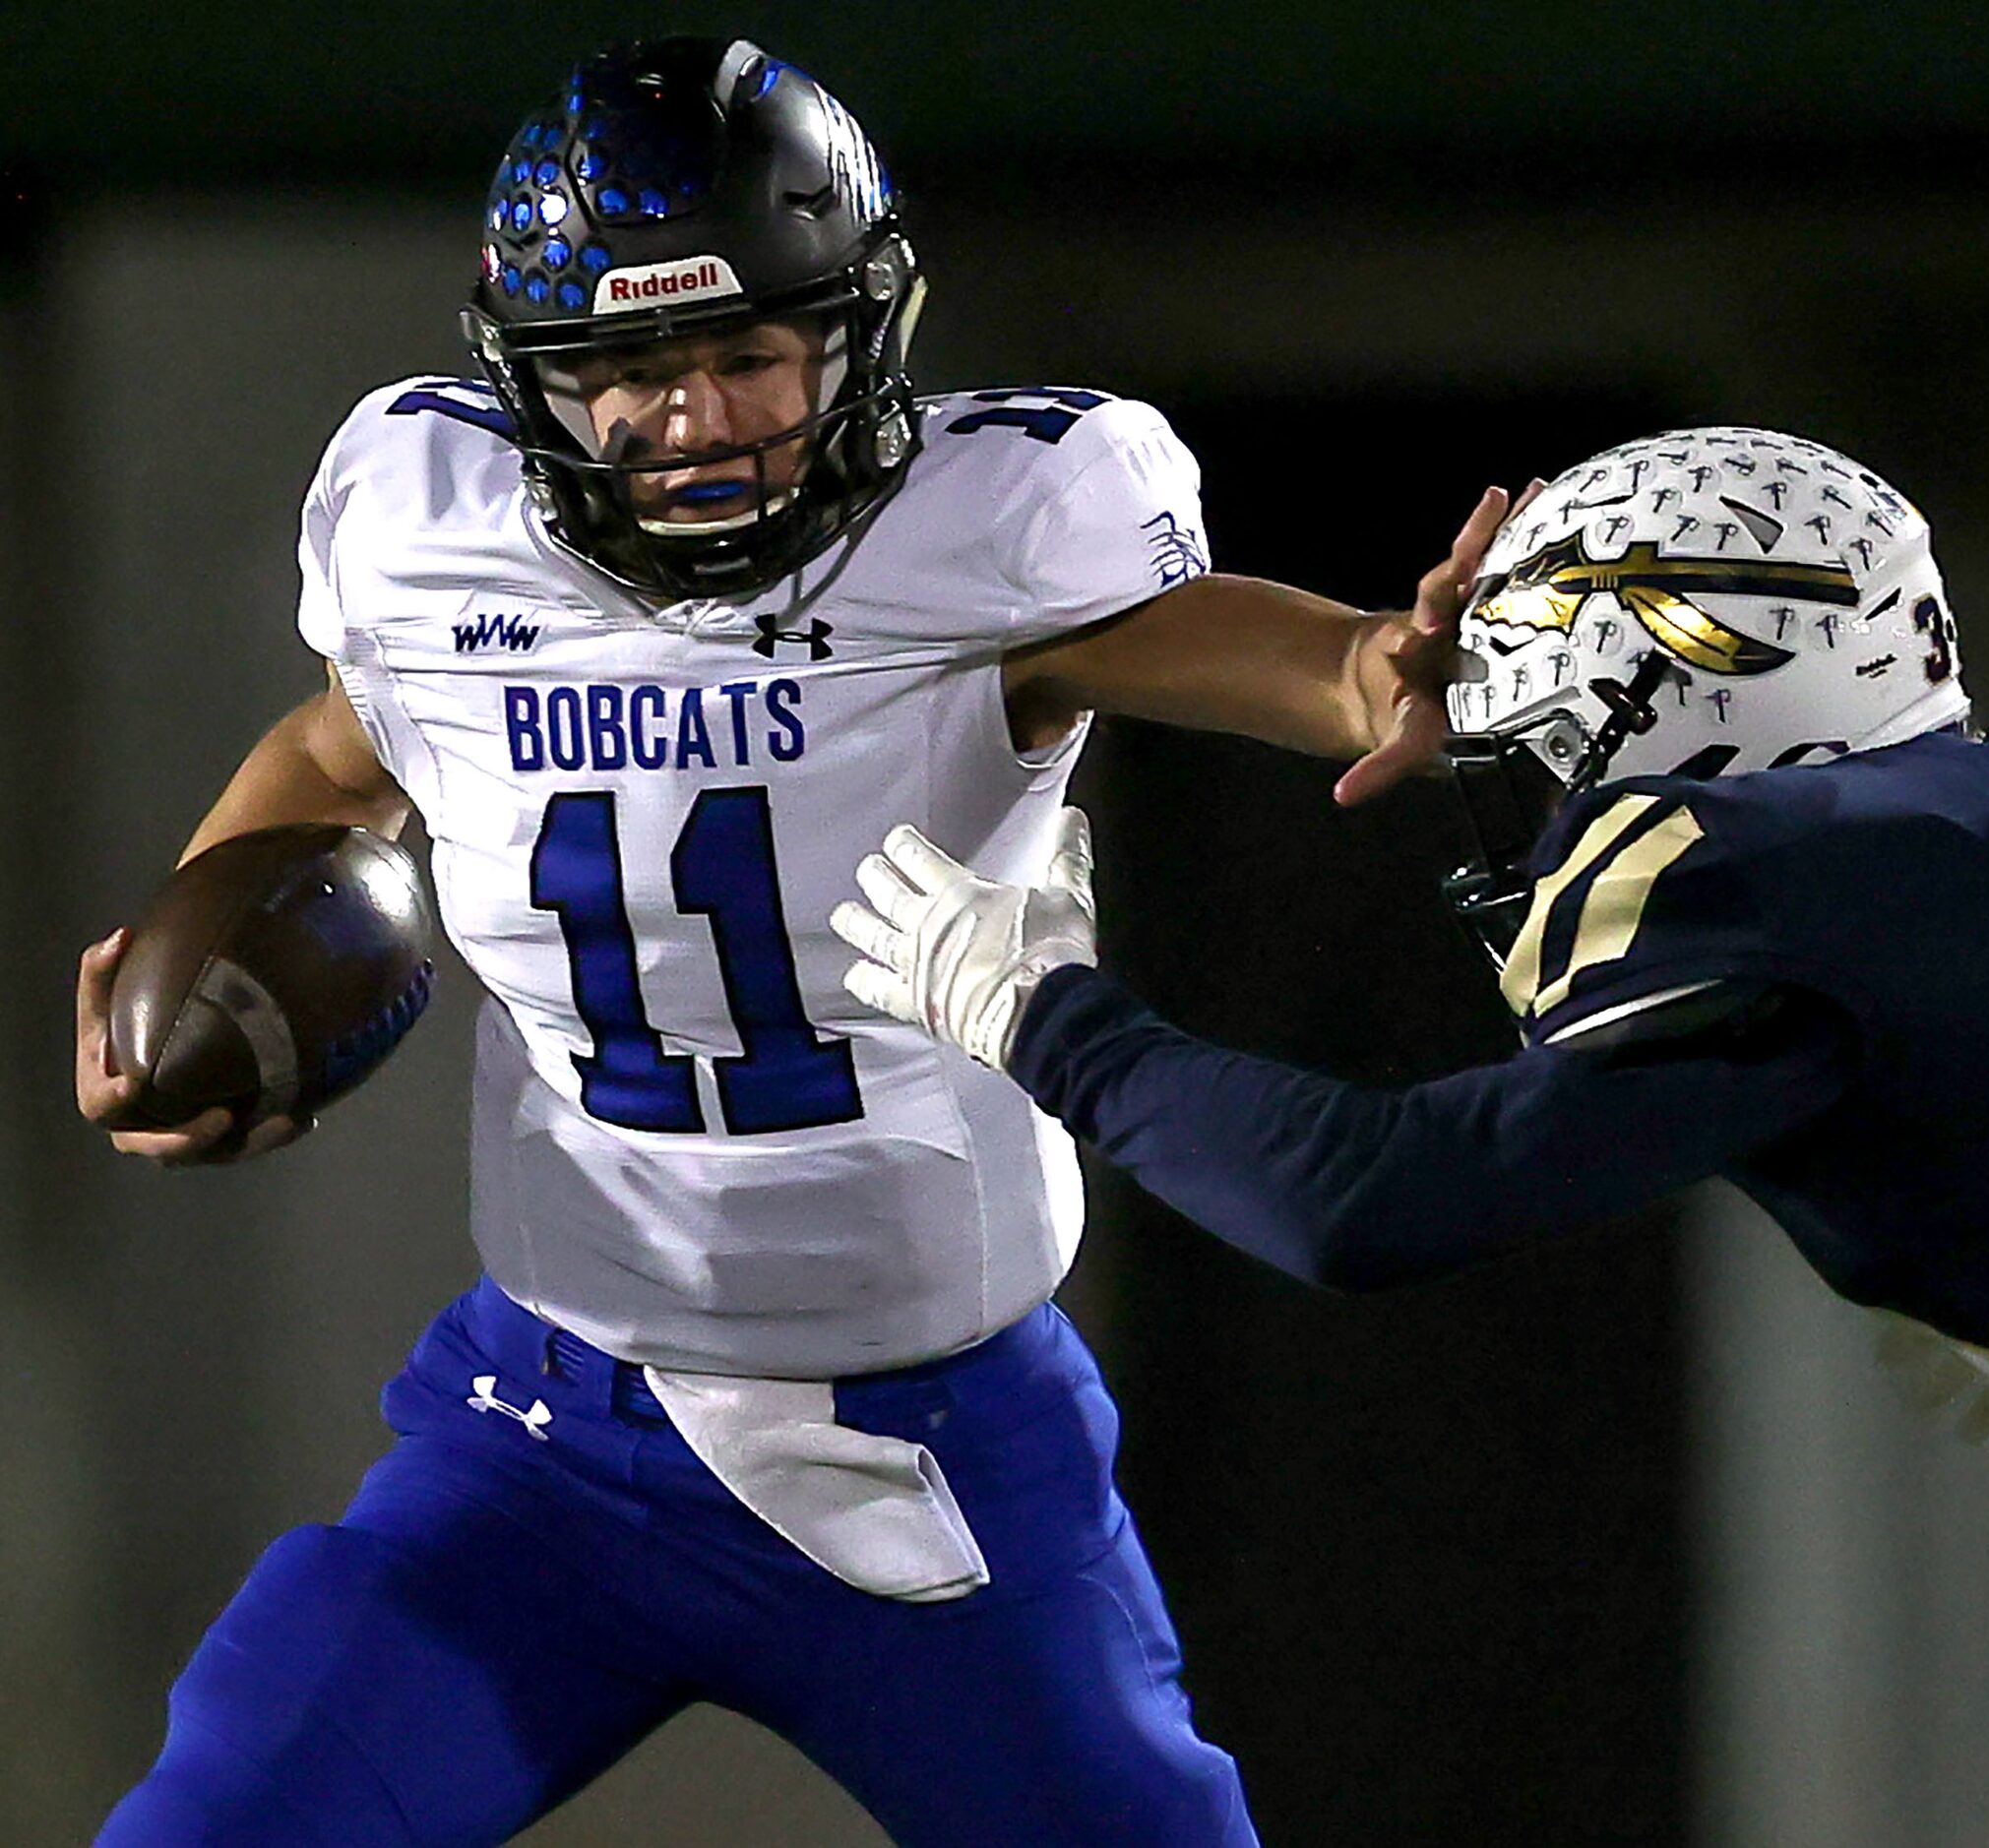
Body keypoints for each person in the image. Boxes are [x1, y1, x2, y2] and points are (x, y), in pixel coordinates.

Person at [70, 35, 1501, 1846]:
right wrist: (189, 980)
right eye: (634, 369)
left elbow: (1240, 643)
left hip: (940, 1448)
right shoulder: (434, 538)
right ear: (537, 385)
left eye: (750, 350)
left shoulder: (987, 535)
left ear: (852, 334)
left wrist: (1375, 667)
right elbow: (339, 747)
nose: (704, 416)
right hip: (546, 1428)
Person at [834, 425, 1989, 1845]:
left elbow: (1370, 1200)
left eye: (1543, 756)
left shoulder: (1782, 888)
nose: (1536, 810)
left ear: (1683, 702)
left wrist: (1043, 1013)